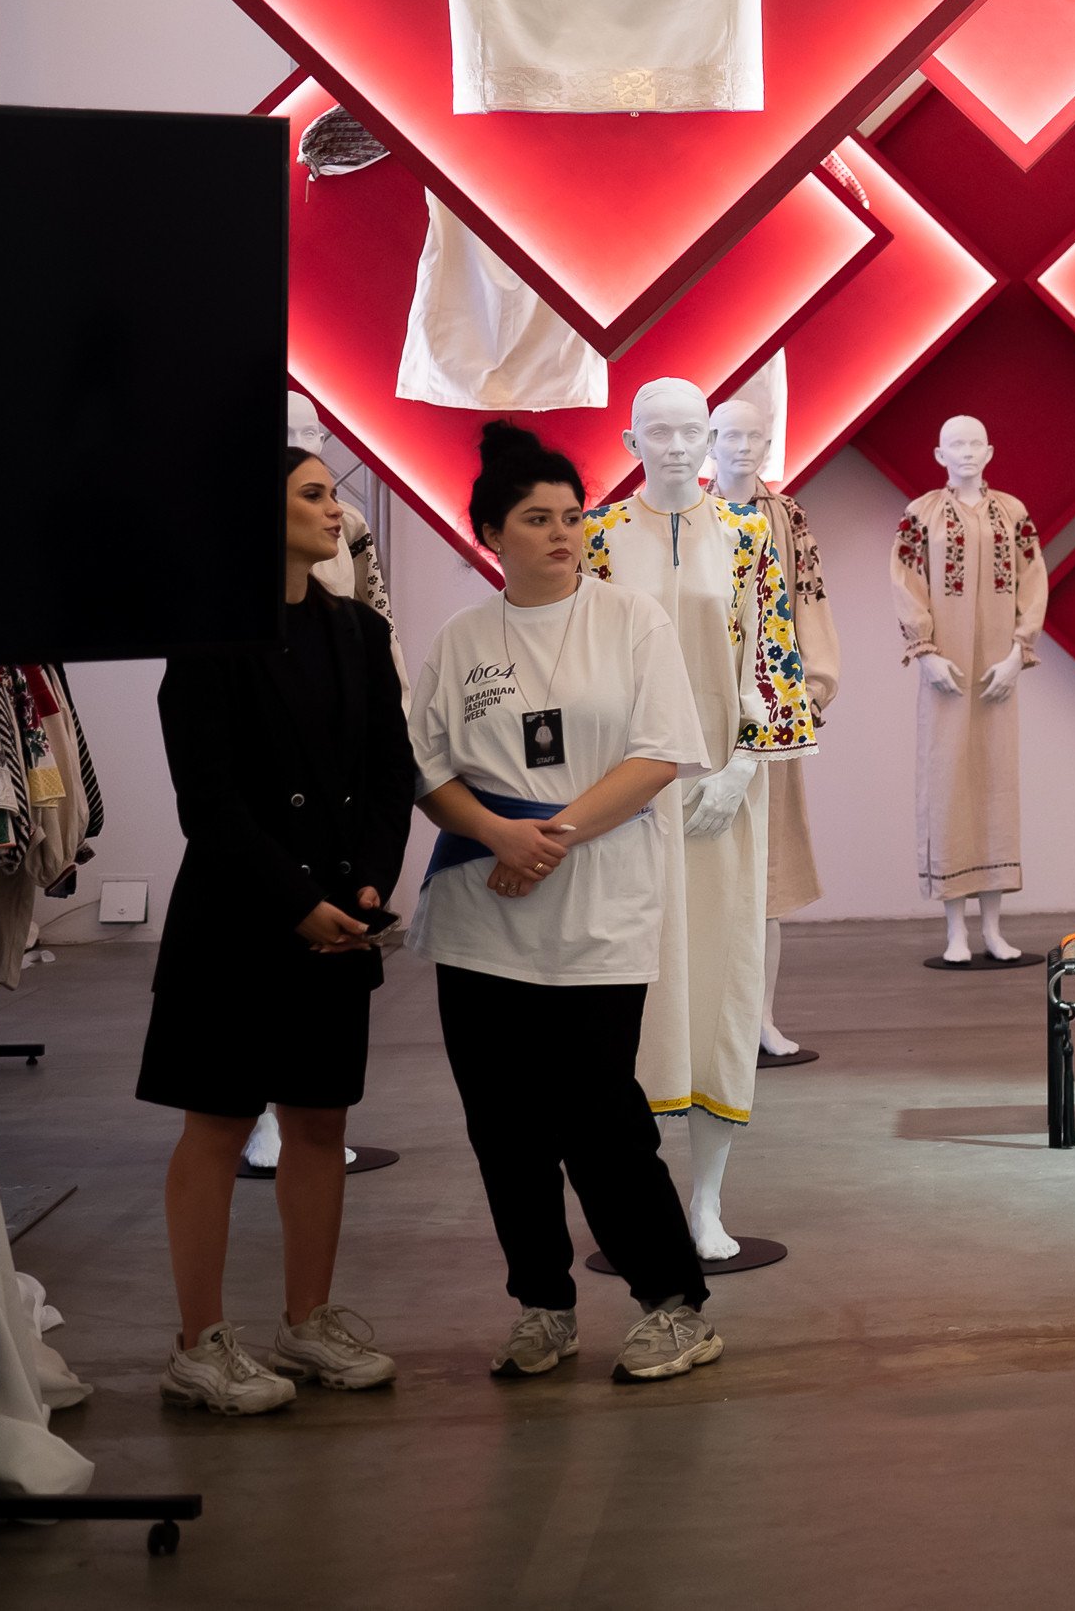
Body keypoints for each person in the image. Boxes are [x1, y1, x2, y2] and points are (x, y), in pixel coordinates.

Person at [409, 422, 726, 1386]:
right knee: (502, 1125)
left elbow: (660, 753)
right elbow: (425, 768)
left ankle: (674, 1303)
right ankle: (542, 1304)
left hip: (598, 913)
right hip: (480, 916)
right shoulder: (461, 639)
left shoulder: (631, 620)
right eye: (537, 518)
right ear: (490, 533)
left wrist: (547, 838)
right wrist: (497, 833)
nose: (562, 533)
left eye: (572, 516)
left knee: (601, 1118)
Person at [138, 448, 418, 1414]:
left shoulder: (360, 631)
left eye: (333, 494)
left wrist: (370, 882)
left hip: (339, 916)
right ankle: (199, 1342)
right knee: (218, 1123)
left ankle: (307, 1321)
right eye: (313, 494)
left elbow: (390, 771)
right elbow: (208, 802)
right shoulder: (208, 641)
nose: (335, 510)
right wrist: (296, 900)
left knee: (321, 1118)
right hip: (237, 918)